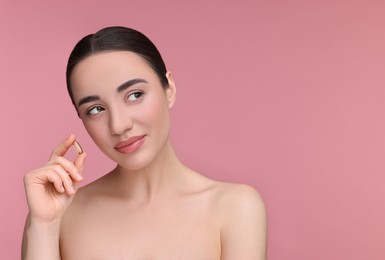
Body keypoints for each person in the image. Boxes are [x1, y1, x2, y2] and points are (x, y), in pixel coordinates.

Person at [22, 26, 267, 259]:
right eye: (96, 109)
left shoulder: (235, 208)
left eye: (135, 95)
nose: (119, 125)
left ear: (168, 88)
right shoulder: (60, 216)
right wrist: (44, 225)